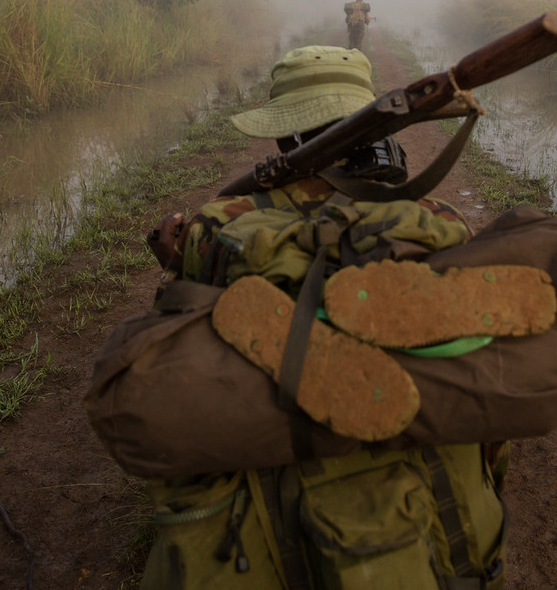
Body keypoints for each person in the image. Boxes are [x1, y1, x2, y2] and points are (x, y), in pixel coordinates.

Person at [137, 45, 508, 588]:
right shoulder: (437, 219)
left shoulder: (219, 222)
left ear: (285, 135)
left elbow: (191, 314)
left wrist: (180, 255)